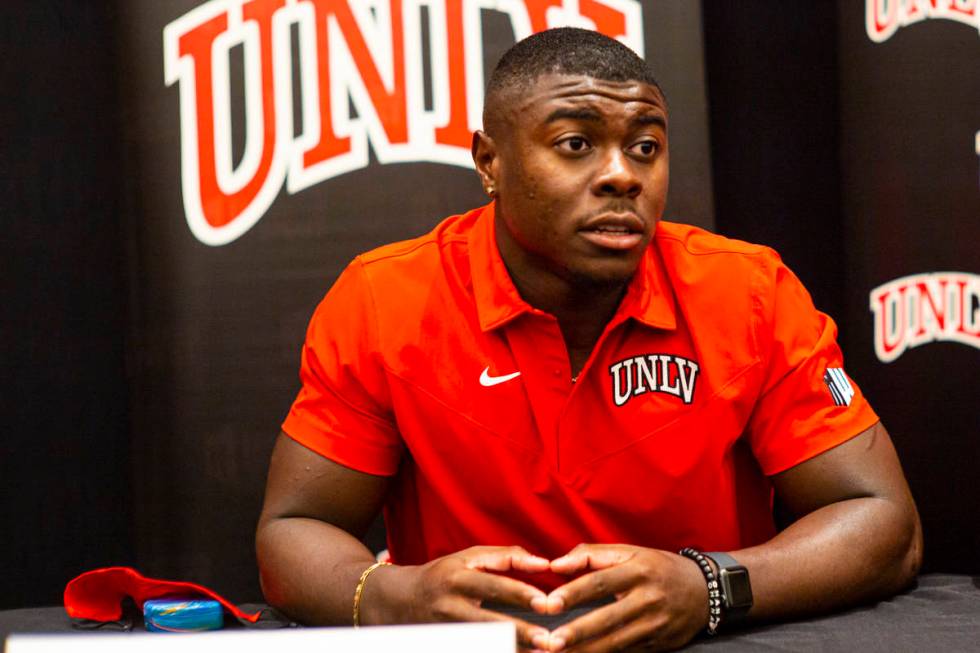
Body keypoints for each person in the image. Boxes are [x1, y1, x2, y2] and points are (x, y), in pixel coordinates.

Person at [255, 27, 922, 653]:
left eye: (645, 147)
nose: (623, 176)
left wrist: (708, 587)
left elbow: (882, 520)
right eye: (577, 143)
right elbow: (292, 530)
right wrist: (394, 598)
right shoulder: (386, 299)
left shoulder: (747, 293)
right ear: (490, 160)